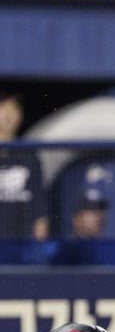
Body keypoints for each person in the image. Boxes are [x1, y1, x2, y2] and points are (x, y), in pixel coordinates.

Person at [0, 90, 49, 241]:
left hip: (21, 247)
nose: (9, 113)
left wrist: (38, 249)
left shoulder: (29, 157)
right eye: (3, 106)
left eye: (14, 107)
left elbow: (40, 212)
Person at [50, 185, 110, 265]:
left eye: (100, 210)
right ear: (77, 218)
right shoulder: (67, 251)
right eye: (92, 211)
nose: (98, 216)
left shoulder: (104, 249)